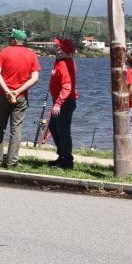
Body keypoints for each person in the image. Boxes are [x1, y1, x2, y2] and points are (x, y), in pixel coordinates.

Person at [0, 29, 40, 168]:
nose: (9, 40)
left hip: (2, 95)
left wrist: (7, 91)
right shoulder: (32, 54)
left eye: (10, 38)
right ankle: (12, 162)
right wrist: (17, 91)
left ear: (14, 40)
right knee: (16, 129)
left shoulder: (5, 52)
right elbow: (35, 78)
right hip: (21, 97)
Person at [47, 37, 78, 169]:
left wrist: (58, 104)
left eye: (59, 47)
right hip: (59, 100)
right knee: (54, 128)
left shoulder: (64, 64)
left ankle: (67, 161)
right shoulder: (60, 61)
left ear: (65, 50)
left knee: (63, 131)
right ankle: (62, 155)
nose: (56, 49)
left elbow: (67, 87)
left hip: (65, 102)